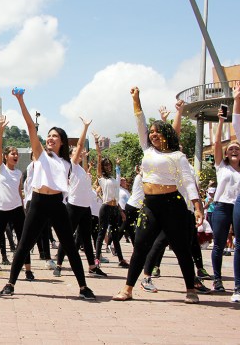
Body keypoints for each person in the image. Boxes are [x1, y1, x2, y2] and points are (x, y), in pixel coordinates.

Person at [0, 89, 95, 300]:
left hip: (57, 204)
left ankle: (83, 287)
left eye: (55, 136)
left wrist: (85, 128)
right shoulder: (40, 154)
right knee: (24, 244)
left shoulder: (67, 163)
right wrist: (21, 101)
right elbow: (30, 127)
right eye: (49, 135)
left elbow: (79, 146)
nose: (51, 138)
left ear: (61, 141)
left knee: (69, 246)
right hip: (38, 202)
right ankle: (10, 283)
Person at [112, 87, 203, 304]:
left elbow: (189, 182)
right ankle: (128, 288)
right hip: (150, 205)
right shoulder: (147, 150)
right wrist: (136, 99)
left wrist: (197, 206)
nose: (152, 134)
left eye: (157, 131)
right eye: (151, 131)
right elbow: (139, 123)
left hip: (173, 206)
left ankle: (191, 290)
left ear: (167, 134)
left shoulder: (178, 156)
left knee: (181, 248)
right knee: (140, 246)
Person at [0, 115, 33, 280]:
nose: (15, 156)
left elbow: (19, 192)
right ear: (6, 156)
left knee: (23, 242)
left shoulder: (18, 173)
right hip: (1, 209)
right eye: (13, 154)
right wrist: (1, 129)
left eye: (17, 154)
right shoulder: (0, 168)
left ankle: (28, 270)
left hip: (17, 209)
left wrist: (23, 209)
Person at [53, 117, 107, 278]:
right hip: (73, 206)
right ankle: (59, 264)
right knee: (66, 237)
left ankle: (92, 266)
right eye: (78, 153)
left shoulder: (82, 170)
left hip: (85, 208)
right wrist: (85, 128)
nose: (81, 153)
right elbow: (80, 145)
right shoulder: (72, 165)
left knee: (86, 238)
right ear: (72, 155)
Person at [210, 88, 240, 302]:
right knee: (219, 243)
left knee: (238, 244)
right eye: (230, 148)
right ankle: (217, 279)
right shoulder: (222, 167)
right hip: (221, 206)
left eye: (236, 147)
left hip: (238, 207)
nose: (233, 150)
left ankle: (237, 285)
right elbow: (216, 144)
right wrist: (221, 122)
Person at [92, 133, 128, 268]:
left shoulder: (113, 179)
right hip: (105, 207)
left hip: (114, 207)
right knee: (101, 233)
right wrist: (96, 142)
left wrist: (121, 211)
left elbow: (116, 197)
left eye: (109, 165)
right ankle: (97, 258)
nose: (108, 166)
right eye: (105, 165)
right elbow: (99, 157)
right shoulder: (101, 178)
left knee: (115, 233)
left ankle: (121, 259)